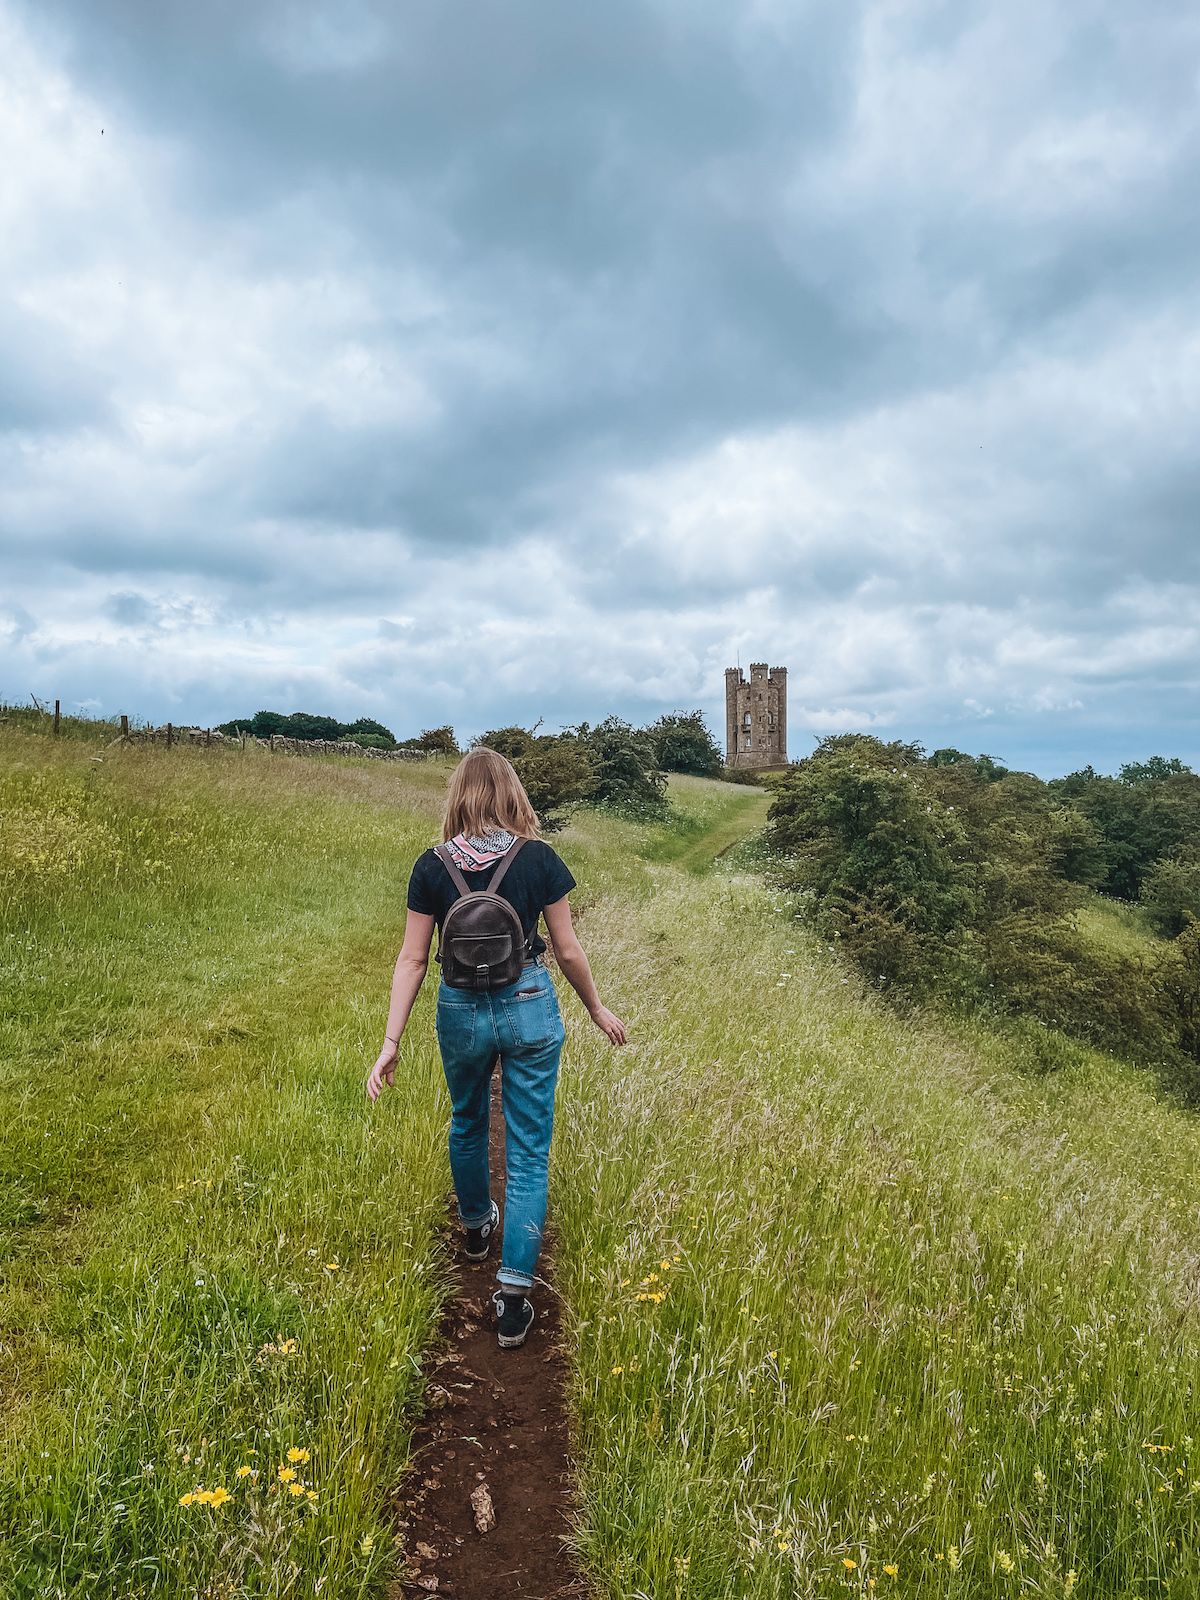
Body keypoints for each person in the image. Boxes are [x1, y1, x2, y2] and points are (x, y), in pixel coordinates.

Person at [365, 746, 627, 1348]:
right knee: (529, 1149)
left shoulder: (431, 867)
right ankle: (513, 1300)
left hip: (459, 1010)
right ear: (512, 794)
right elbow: (565, 950)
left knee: (467, 1120)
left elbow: (412, 959)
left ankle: (478, 1227)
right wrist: (594, 1006)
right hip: (528, 1002)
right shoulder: (538, 859)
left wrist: (390, 1041)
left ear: (457, 796)